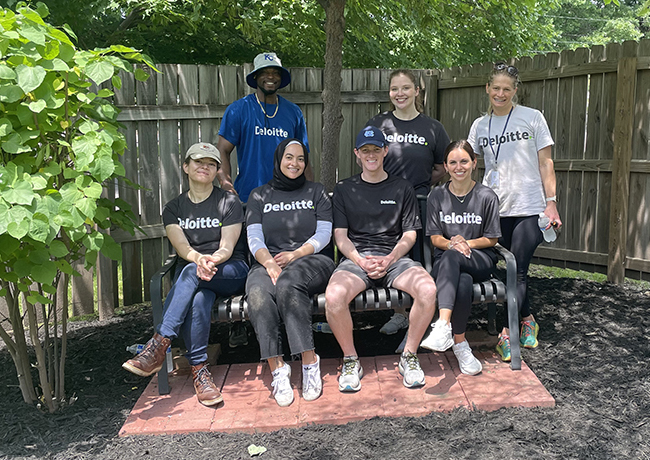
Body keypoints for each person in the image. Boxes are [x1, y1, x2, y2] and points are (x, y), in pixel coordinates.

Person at [122, 143, 249, 407]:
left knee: (191, 273)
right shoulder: (174, 208)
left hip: (228, 270)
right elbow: (181, 246)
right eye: (198, 162)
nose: (205, 167)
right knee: (199, 298)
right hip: (195, 273)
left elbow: (227, 245)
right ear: (186, 167)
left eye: (211, 163)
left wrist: (210, 260)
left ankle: (158, 345)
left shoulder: (228, 202)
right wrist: (197, 258)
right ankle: (200, 372)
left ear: (217, 171)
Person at [324, 126, 437, 391]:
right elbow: (341, 236)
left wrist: (391, 257)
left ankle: (409, 356)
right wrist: (360, 260)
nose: (371, 155)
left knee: (428, 289)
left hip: (395, 259)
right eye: (366, 151)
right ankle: (351, 360)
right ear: (357, 154)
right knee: (333, 297)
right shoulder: (344, 189)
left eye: (376, 149)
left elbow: (410, 234)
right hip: (356, 259)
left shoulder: (402, 187)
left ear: (385, 151)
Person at [467, 62, 563, 361]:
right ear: (487, 89)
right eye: (496, 88)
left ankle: (507, 336)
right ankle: (527, 319)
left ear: (515, 91)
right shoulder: (480, 125)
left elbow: (546, 162)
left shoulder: (532, 118)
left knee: (517, 269)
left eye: (507, 89)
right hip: (494, 208)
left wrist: (551, 201)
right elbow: (467, 163)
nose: (500, 93)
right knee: (506, 270)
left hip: (529, 207)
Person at [244, 138, 335, 406]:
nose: (294, 163)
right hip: (268, 261)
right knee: (258, 293)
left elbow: (324, 234)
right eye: (289, 157)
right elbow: (254, 239)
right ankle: (278, 369)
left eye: (300, 159)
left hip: (312, 260)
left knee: (289, 283)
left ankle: (309, 362)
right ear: (278, 160)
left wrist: (296, 254)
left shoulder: (316, 192)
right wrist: (269, 263)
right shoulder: (259, 195)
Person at [366, 69, 451, 336]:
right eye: (394, 89)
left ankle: (427, 316)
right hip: (385, 204)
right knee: (394, 258)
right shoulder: (378, 124)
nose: (399, 94)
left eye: (405, 88)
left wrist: (422, 180)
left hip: (421, 202)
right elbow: (368, 159)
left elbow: (442, 167)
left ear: (417, 91)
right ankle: (400, 314)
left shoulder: (432, 127)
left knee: (422, 258)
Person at [419, 140, 501, 375]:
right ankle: (460, 344)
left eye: (464, 161)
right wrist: (452, 244)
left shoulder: (486, 196)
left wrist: (465, 244)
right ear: (445, 166)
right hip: (446, 263)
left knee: (453, 257)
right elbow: (435, 238)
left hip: (480, 259)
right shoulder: (437, 196)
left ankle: (443, 324)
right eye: (453, 162)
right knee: (462, 282)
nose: (459, 167)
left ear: (474, 163)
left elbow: (492, 238)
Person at [216, 52, 312, 202]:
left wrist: (309, 191)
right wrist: (225, 183)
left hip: (288, 197)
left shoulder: (293, 112)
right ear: (255, 77)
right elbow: (222, 150)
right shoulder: (239, 109)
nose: (271, 77)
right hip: (250, 196)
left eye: (275, 73)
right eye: (265, 72)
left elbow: (304, 156)